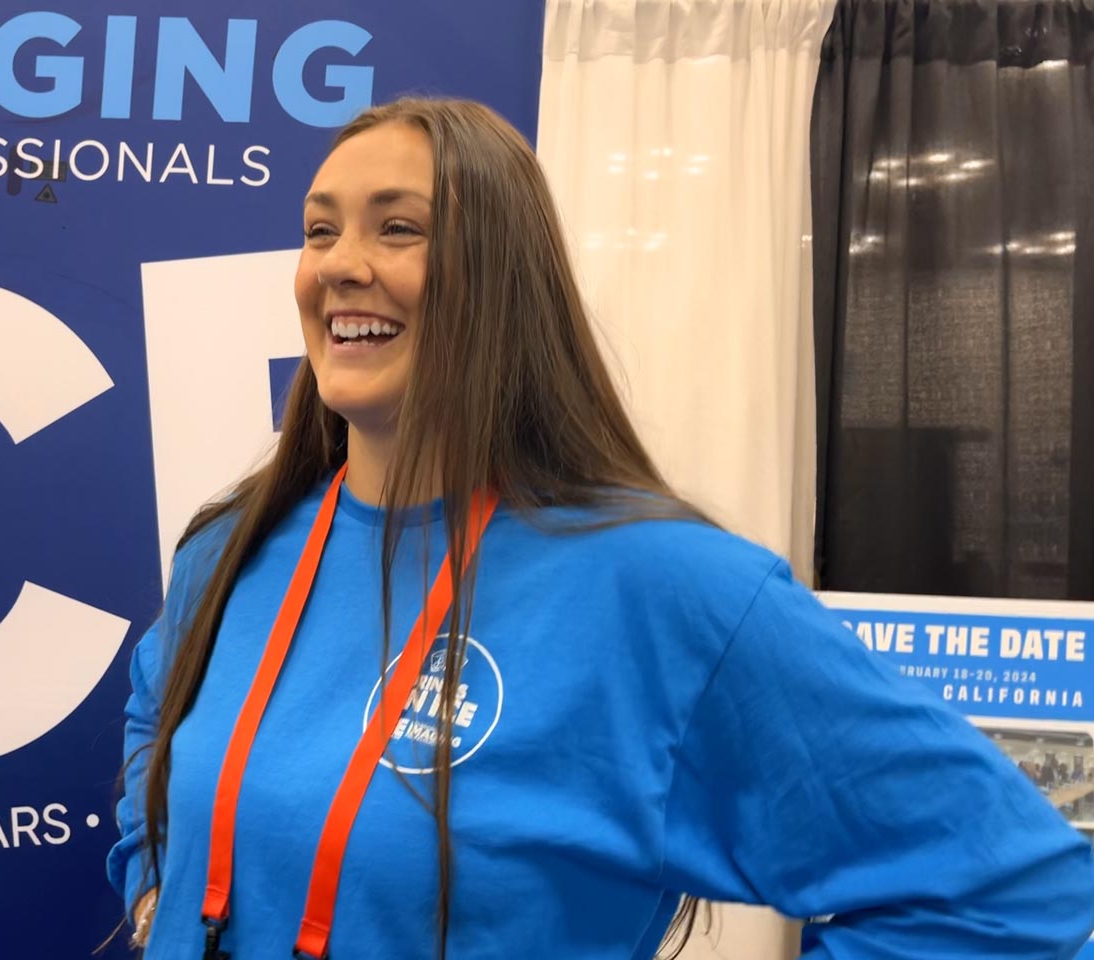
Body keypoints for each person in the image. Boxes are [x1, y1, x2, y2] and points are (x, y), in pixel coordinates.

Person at [107, 97, 1094, 960]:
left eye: (397, 228)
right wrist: (157, 883)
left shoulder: (658, 586)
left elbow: (1015, 895)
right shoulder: (231, 549)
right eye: (319, 231)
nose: (339, 266)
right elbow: (159, 718)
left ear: (503, 277)